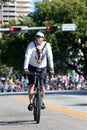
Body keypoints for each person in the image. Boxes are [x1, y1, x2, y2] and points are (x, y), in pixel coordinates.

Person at [24, 31, 54, 111]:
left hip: (43, 67)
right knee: (32, 85)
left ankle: (42, 102)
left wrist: (51, 68)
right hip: (32, 67)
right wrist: (25, 68)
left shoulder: (47, 45)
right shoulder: (31, 45)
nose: (37, 39)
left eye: (39, 38)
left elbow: (50, 56)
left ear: (43, 38)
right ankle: (30, 103)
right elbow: (27, 55)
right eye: (36, 38)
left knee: (42, 86)